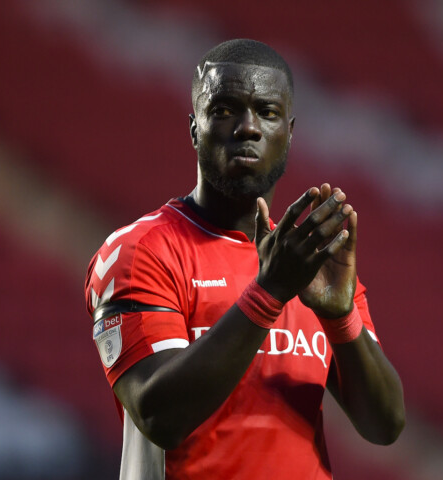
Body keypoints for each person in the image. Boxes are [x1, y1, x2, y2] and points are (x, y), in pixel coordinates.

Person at [84, 38, 405, 479]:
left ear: (289, 133)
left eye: (267, 112)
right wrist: (268, 293)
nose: (248, 127)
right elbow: (161, 416)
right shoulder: (141, 252)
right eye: (224, 110)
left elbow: (384, 426)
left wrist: (341, 316)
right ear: (194, 128)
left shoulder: (306, 262)